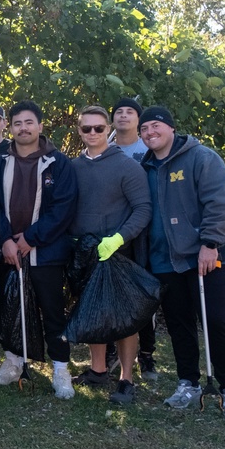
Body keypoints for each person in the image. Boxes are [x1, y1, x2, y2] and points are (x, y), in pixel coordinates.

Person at [139, 106, 225, 421]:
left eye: (156, 126)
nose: (149, 133)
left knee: (214, 320)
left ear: (171, 128)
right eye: (144, 129)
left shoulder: (201, 158)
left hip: (207, 255)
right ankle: (188, 382)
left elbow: (224, 203)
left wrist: (210, 243)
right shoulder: (145, 167)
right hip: (164, 259)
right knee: (178, 324)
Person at [0, 99, 78, 399]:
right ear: (10, 128)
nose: (23, 128)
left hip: (46, 253)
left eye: (28, 122)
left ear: (40, 125)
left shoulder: (59, 163)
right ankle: (13, 363)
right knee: (10, 309)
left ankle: (61, 370)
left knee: (52, 312)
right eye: (17, 123)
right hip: (10, 253)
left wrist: (31, 238)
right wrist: (7, 241)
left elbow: (63, 209)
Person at [68, 105, 151, 405]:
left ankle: (126, 378)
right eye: (86, 128)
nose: (92, 133)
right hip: (85, 253)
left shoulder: (127, 167)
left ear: (108, 130)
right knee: (92, 309)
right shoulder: (72, 167)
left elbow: (143, 209)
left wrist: (118, 238)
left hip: (117, 253)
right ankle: (97, 369)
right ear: (79, 131)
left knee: (123, 319)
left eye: (99, 128)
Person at [108, 97, 159, 382]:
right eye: (118, 111)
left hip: (144, 234)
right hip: (113, 237)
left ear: (138, 120)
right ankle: (116, 351)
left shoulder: (148, 150)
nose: (124, 116)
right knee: (116, 297)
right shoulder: (104, 147)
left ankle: (147, 354)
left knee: (144, 295)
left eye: (130, 112)